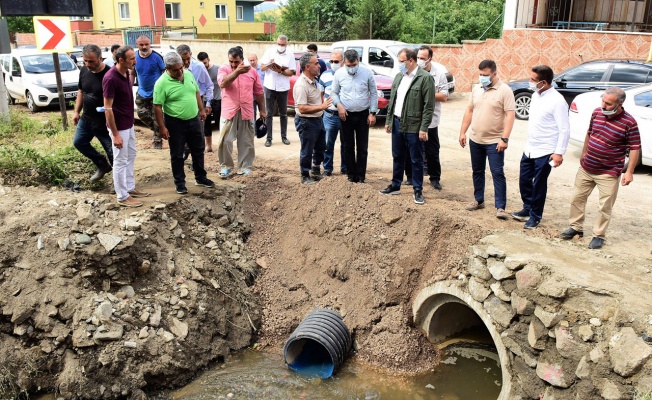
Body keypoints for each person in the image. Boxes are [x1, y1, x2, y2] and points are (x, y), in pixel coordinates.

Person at [559, 86, 640, 249]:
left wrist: (629, 172)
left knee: (605, 206)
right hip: (587, 167)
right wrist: (583, 153)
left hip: (609, 172)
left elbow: (634, 147)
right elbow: (590, 133)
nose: (603, 106)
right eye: (603, 101)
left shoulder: (629, 122)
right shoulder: (596, 112)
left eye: (608, 104)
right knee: (577, 198)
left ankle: (599, 235)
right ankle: (576, 227)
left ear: (620, 104)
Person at [512, 65, 570, 229]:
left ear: (543, 82)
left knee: (539, 184)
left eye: (532, 79)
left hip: (546, 151)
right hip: (530, 147)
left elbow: (564, 129)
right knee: (524, 180)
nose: (530, 82)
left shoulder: (557, 101)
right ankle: (527, 208)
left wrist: (559, 153)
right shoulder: (536, 95)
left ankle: (535, 216)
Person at [459, 59, 515, 219]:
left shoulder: (505, 91)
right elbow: (469, 110)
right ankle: (478, 200)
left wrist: (504, 139)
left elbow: (510, 116)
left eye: (486, 75)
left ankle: (500, 207)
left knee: (497, 172)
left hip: (494, 141)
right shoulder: (477, 89)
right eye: (480, 74)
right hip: (475, 139)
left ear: (495, 74)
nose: (482, 77)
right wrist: (463, 132)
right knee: (477, 171)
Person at [153, 52, 215, 194]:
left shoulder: (188, 74)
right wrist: (162, 127)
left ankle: (200, 177)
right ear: (167, 68)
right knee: (177, 154)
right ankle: (180, 183)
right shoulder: (161, 83)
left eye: (181, 67)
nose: (180, 71)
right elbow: (157, 106)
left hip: (193, 119)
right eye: (175, 69)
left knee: (198, 149)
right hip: (175, 123)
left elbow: (196, 92)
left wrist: (201, 110)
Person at [379, 48, 433, 205]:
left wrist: (424, 128)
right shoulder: (399, 76)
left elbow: (428, 106)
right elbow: (393, 102)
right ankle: (395, 185)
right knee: (397, 156)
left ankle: (417, 190)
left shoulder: (425, 78)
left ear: (411, 61)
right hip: (397, 123)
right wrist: (389, 121)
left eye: (401, 61)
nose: (399, 64)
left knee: (416, 159)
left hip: (414, 126)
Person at [103, 46, 150, 207]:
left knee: (131, 154)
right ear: (121, 60)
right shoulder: (111, 78)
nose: (135, 61)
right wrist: (115, 134)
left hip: (128, 123)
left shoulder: (125, 74)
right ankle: (122, 196)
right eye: (132, 59)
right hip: (119, 126)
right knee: (120, 160)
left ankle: (129, 187)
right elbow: (108, 108)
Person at [216, 47, 266, 178]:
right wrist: (236, 72)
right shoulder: (223, 69)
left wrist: (262, 110)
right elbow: (223, 83)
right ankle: (226, 166)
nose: (233, 64)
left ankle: (244, 167)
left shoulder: (252, 72)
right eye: (231, 61)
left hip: (247, 110)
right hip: (229, 111)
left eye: (236, 62)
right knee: (225, 141)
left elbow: (259, 92)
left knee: (246, 141)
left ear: (242, 60)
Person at [331, 49, 378, 183]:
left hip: (363, 115)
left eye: (354, 65)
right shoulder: (339, 74)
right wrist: (339, 105)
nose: (351, 68)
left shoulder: (367, 73)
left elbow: (374, 93)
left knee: (362, 147)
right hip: (346, 115)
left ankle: (361, 176)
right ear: (344, 62)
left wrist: (372, 113)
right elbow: (334, 93)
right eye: (348, 65)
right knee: (348, 146)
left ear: (358, 61)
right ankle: (351, 175)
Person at [72, 44, 113, 183]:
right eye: (85, 61)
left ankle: (119, 183)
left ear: (100, 58)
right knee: (79, 142)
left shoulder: (110, 74)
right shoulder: (84, 70)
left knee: (112, 152)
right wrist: (76, 111)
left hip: (104, 121)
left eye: (91, 61)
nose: (87, 64)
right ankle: (102, 164)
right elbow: (81, 91)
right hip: (87, 118)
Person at [411, 45, 449, 191]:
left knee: (432, 150)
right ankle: (413, 177)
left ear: (430, 59)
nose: (419, 61)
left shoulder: (439, 74)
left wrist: (425, 94)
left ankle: (435, 178)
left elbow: (444, 96)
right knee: (414, 149)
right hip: (414, 118)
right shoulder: (413, 72)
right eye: (418, 58)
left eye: (422, 58)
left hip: (431, 120)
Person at [293, 52, 332, 185]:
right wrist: (322, 107)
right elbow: (302, 108)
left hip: (317, 119)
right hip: (306, 121)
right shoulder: (301, 85)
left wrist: (321, 107)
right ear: (307, 67)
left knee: (321, 146)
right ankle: (305, 175)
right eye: (316, 64)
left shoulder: (315, 81)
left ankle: (315, 170)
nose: (319, 66)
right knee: (307, 149)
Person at [260, 34, 295, 147]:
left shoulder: (290, 54)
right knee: (269, 113)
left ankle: (284, 136)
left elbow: (291, 72)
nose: (280, 46)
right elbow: (262, 68)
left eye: (283, 44)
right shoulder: (269, 51)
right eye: (279, 44)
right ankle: (269, 138)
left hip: (283, 87)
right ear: (277, 43)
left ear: (286, 44)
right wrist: (269, 65)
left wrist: (280, 71)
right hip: (270, 86)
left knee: (283, 114)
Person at [134, 35, 166, 149]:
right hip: (142, 91)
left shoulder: (157, 57)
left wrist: (164, 89)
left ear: (150, 44)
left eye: (146, 44)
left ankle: (157, 141)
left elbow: (165, 73)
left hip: (156, 92)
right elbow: (132, 72)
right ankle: (160, 130)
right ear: (137, 44)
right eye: (141, 45)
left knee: (157, 117)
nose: (144, 47)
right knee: (141, 114)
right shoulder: (134, 56)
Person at [318, 50, 345, 176]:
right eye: (331, 61)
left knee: (346, 144)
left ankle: (345, 168)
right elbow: (321, 94)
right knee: (328, 144)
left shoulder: (347, 75)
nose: (333, 64)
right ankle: (327, 169)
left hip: (345, 116)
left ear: (343, 62)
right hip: (329, 115)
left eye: (336, 61)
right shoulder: (324, 75)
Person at [176, 44, 214, 133]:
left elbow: (209, 85)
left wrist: (208, 103)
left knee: (197, 131)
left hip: (197, 102)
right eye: (182, 59)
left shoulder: (199, 66)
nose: (186, 62)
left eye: (188, 58)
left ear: (191, 54)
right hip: (180, 103)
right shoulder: (174, 69)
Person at [197, 51, 222, 152]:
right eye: (201, 63)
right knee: (206, 122)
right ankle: (208, 145)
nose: (203, 65)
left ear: (208, 60)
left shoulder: (217, 69)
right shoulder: (198, 70)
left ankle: (222, 144)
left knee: (220, 122)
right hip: (204, 100)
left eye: (205, 63)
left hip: (217, 100)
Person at [248, 53, 264, 117]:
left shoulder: (262, 69)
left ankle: (264, 126)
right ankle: (254, 127)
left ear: (257, 59)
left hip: (261, 95)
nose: (252, 62)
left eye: (253, 60)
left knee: (264, 114)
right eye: (250, 60)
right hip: (252, 95)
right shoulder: (246, 70)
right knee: (252, 115)